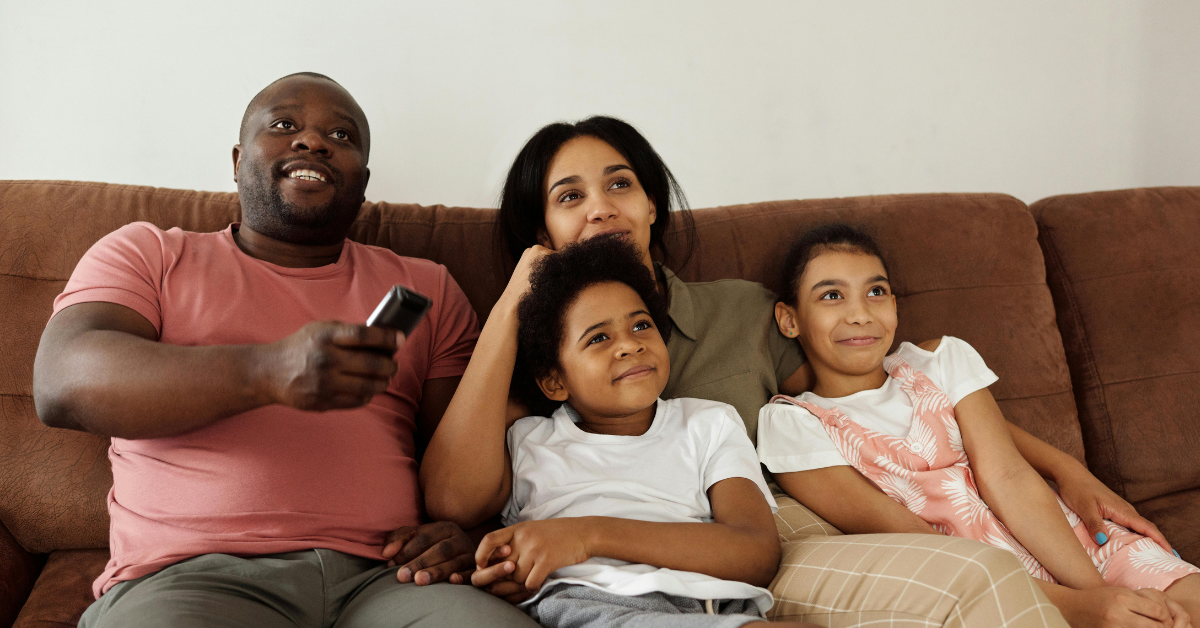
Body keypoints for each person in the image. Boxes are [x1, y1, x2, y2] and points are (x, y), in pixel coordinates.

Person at [421, 115, 1171, 626]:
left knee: (978, 576)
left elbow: (886, 388)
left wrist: (1064, 468)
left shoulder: (744, 313)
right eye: (569, 197)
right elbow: (458, 496)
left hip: (785, 523)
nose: (600, 209)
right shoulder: (545, 357)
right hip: (647, 568)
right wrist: (521, 293)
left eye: (620, 184)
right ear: (542, 229)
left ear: (652, 203)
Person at [32, 72, 536, 628]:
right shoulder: (149, 254)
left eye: (342, 137)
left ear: (362, 183)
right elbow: (61, 382)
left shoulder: (424, 288)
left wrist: (462, 535)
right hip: (192, 579)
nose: (314, 141)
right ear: (237, 159)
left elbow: (463, 462)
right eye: (284, 124)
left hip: (390, 580)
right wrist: (267, 371)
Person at [758, 223, 1200, 628]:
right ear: (789, 319)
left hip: (1068, 542)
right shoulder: (794, 424)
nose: (860, 314)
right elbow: (909, 540)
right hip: (983, 580)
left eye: (876, 292)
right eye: (831, 296)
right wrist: (1078, 609)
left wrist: (1100, 594)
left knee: (1187, 610)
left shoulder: (939, 361)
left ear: (894, 304)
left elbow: (1008, 477)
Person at [473, 233, 819, 628]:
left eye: (641, 326)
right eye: (599, 337)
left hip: (709, 600)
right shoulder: (527, 441)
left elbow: (755, 553)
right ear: (554, 382)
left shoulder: (709, 423)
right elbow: (473, 523)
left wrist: (587, 536)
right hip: (587, 603)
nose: (629, 345)